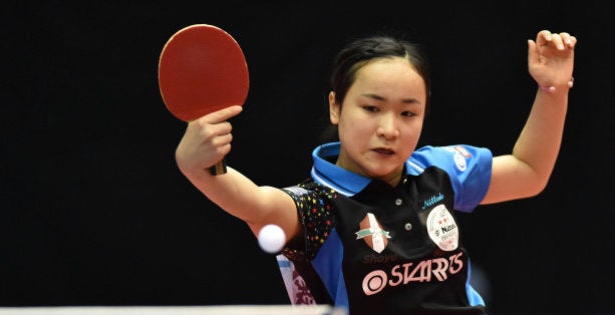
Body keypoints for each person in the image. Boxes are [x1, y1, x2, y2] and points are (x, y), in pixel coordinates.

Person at [174, 29, 576, 314]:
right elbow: (255, 204)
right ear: (336, 106)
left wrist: (553, 90)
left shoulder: (438, 171)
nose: (389, 129)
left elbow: (529, 172)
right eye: (371, 107)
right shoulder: (318, 206)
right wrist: (197, 166)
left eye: (408, 112)